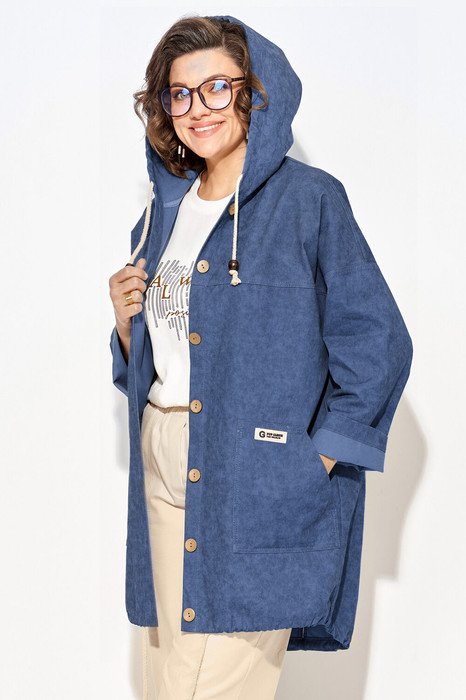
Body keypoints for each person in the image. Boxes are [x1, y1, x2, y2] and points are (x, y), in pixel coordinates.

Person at [108, 14, 413, 699]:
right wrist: (129, 331)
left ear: (255, 93)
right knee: (166, 680)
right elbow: (171, 360)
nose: (199, 108)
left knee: (209, 688)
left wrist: (310, 464)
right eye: (180, 94)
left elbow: (378, 342)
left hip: (252, 477)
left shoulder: (310, 201)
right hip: (162, 457)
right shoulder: (160, 216)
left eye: (218, 87)